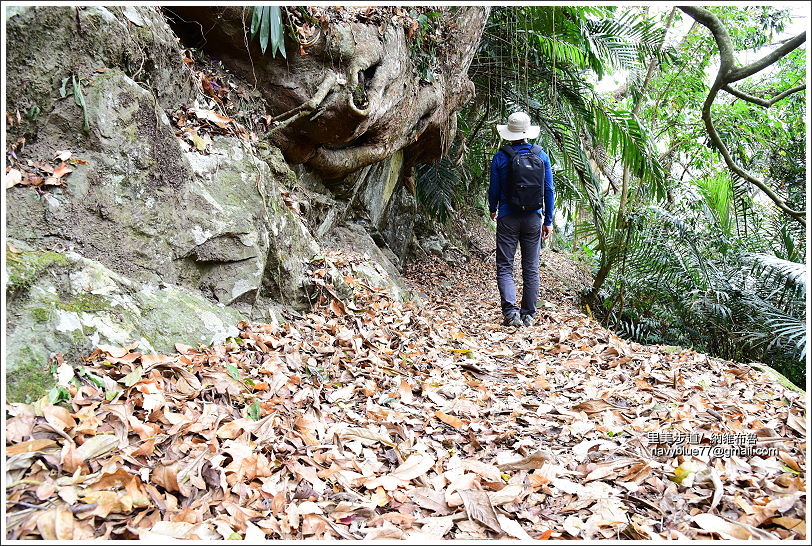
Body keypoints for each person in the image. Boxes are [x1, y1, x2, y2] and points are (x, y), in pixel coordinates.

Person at [488, 111, 554, 328]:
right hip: (533, 218)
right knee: (531, 267)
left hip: (508, 217)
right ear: (527, 133)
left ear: (509, 133)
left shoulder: (500, 157)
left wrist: (493, 208)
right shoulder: (542, 156)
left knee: (505, 265)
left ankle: (510, 313)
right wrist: (548, 220)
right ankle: (528, 315)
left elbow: (494, 188)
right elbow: (548, 190)